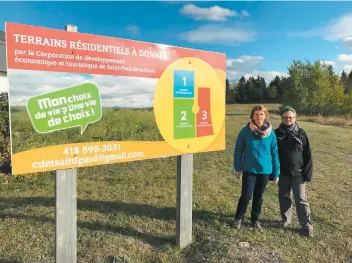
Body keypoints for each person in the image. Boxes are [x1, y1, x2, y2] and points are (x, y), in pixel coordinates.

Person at [232, 105, 280, 231]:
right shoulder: (245, 131)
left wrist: (276, 173)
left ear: (265, 116)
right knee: (246, 195)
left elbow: (275, 154)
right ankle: (238, 218)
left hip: (265, 170)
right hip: (249, 169)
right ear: (252, 116)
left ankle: (255, 219)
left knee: (258, 196)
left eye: (261, 114)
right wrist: (237, 168)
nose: (259, 116)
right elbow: (238, 151)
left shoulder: (271, 133)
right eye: (257, 114)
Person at [274, 106, 314, 237]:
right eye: (285, 117)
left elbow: (307, 154)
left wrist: (307, 173)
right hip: (282, 173)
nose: (288, 120)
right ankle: (286, 220)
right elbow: (272, 153)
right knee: (284, 197)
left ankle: (306, 226)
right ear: (282, 118)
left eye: (290, 117)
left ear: (295, 118)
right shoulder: (276, 133)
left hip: (298, 173)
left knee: (301, 199)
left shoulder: (301, 133)